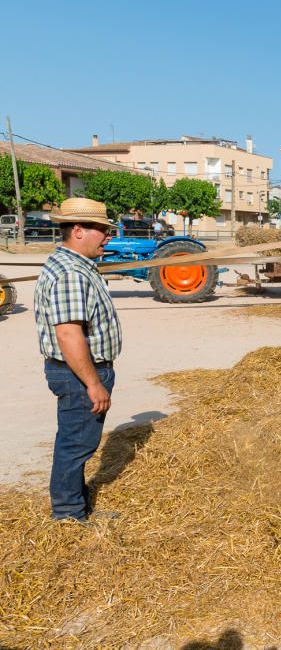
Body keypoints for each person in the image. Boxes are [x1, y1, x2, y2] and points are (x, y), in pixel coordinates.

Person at [34, 198, 122, 522]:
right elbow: (69, 335)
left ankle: (76, 505)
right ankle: (69, 516)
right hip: (78, 374)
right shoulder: (71, 273)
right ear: (79, 229)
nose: (108, 236)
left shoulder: (74, 265)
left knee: (76, 441)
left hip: (77, 373)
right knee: (76, 445)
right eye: (103, 229)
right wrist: (94, 383)